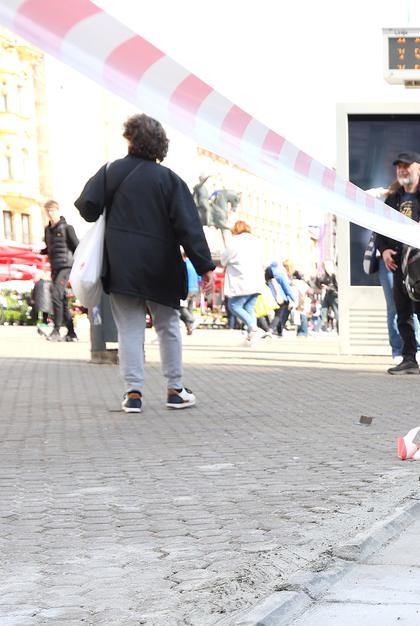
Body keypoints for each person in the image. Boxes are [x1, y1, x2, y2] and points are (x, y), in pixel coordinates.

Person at [74, 114, 214, 413]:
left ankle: (133, 393)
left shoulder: (111, 171)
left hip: (122, 265)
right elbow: (188, 226)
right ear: (160, 145)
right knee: (168, 325)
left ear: (130, 139)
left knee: (129, 329)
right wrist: (204, 266)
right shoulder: (170, 180)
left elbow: (87, 208)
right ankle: (175, 389)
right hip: (161, 266)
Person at [375, 151, 420, 375]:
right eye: (399, 167)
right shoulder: (392, 199)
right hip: (399, 264)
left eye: (406, 166)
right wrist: (384, 250)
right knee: (403, 312)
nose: (402, 170)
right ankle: (410, 360)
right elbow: (379, 228)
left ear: (419, 169)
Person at [221, 221, 270, 345]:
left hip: (242, 281)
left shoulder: (234, 242)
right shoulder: (257, 241)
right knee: (249, 308)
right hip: (257, 281)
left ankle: (254, 328)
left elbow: (223, 260)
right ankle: (250, 338)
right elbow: (265, 262)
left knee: (234, 306)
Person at [40, 200, 79, 341]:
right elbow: (50, 248)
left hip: (66, 266)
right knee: (61, 299)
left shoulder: (67, 228)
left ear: (58, 211)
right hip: (54, 267)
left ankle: (56, 330)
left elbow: (77, 247)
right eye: (48, 211)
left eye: (53, 210)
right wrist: (42, 251)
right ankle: (71, 333)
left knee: (56, 294)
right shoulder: (47, 230)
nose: (50, 213)